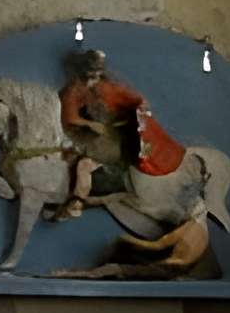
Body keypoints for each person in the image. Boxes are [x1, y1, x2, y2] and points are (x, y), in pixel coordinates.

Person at [59, 46, 184, 214]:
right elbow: (70, 116)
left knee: (84, 165)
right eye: (91, 72)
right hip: (83, 135)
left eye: (96, 73)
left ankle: (77, 202)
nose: (94, 77)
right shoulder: (74, 90)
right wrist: (89, 124)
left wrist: (139, 107)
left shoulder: (105, 87)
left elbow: (134, 99)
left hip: (107, 138)